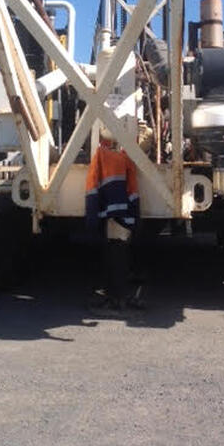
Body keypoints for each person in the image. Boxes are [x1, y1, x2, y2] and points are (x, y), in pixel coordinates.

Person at [84, 130, 143, 316]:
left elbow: (92, 187)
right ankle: (118, 297)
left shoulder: (102, 156)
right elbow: (132, 188)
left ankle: (116, 299)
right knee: (118, 251)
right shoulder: (124, 159)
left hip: (112, 215)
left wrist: (92, 215)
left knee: (115, 252)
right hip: (122, 215)